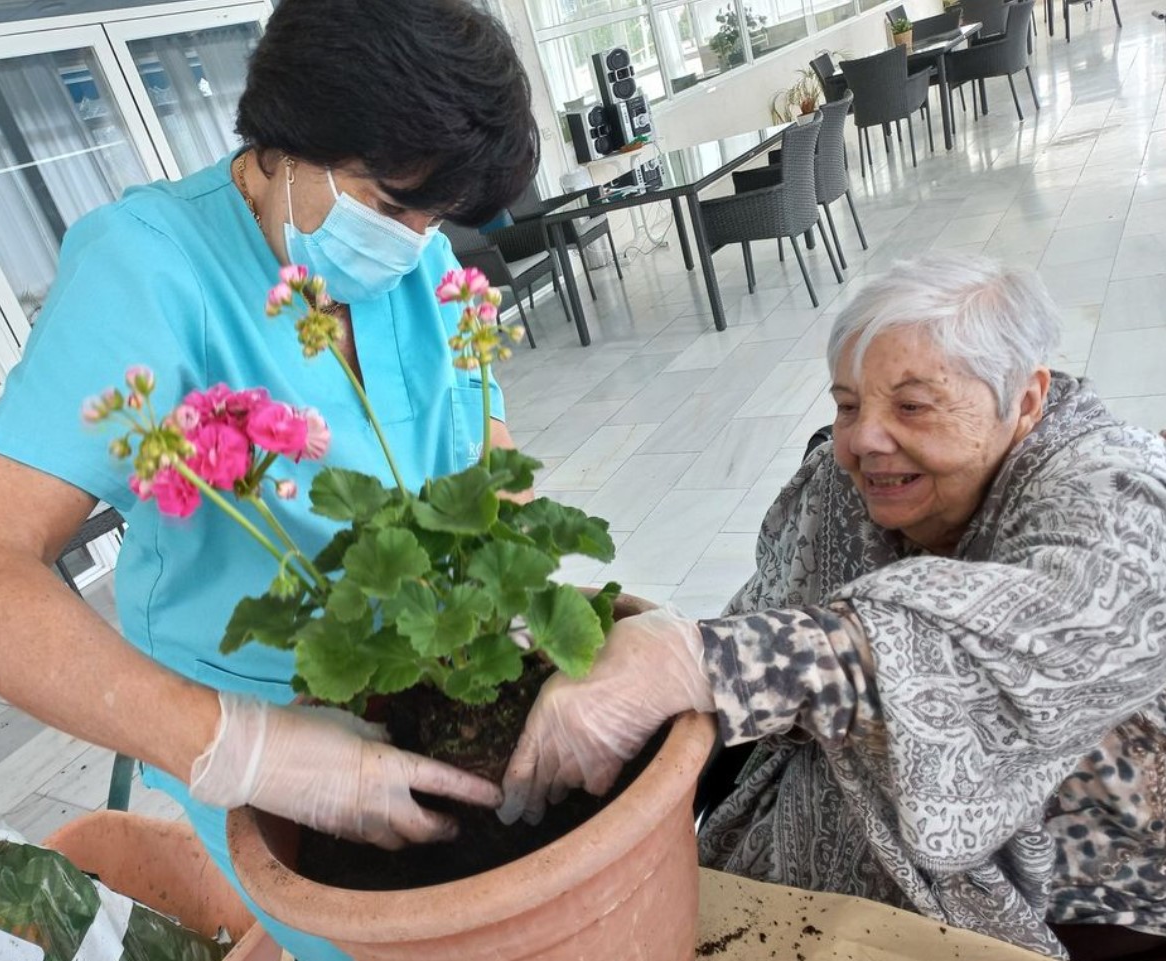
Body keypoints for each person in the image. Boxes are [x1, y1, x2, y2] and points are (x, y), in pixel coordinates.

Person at [0, 1, 537, 958]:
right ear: (288, 138)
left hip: (430, 683)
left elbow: (485, 452)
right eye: (392, 206)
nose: (416, 242)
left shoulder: (408, 266)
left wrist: (519, 588)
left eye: (437, 219)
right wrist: (241, 746)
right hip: (274, 740)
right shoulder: (147, 267)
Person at [497, 254, 1166, 961]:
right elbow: (763, 614)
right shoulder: (845, 486)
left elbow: (1060, 631)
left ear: (1026, 400)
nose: (863, 441)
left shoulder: (1110, 487)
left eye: (912, 405)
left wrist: (708, 661)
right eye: (847, 404)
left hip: (1077, 872)